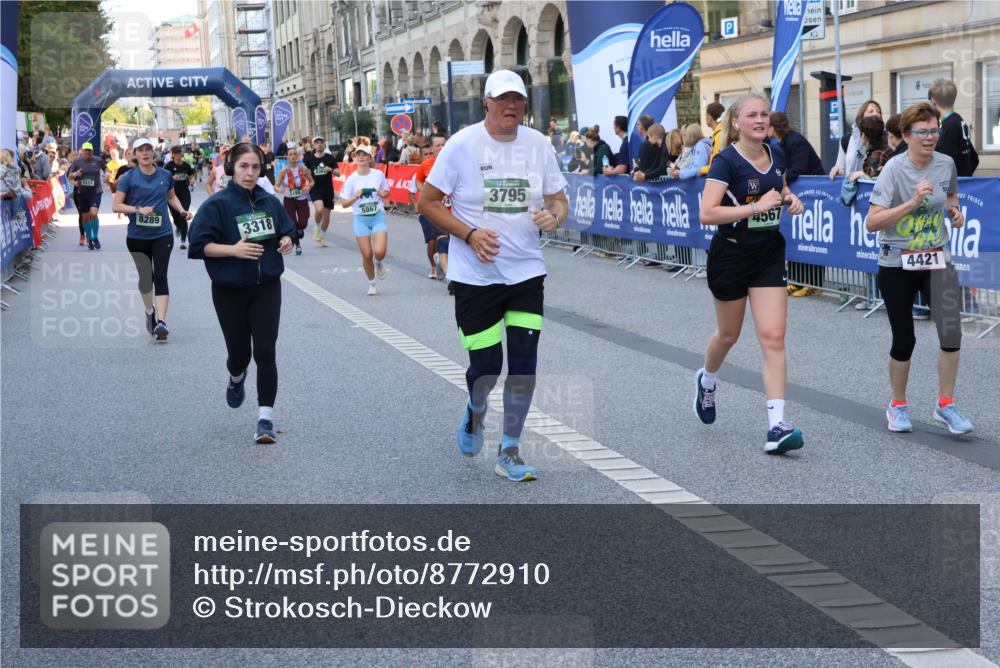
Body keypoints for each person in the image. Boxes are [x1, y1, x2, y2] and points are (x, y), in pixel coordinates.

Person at [418, 69, 569, 482]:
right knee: (486, 368)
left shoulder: (538, 145)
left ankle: (510, 451)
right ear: (486, 102)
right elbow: (426, 201)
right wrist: (468, 234)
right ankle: (475, 409)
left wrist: (553, 217)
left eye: (518, 100)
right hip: (475, 278)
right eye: (502, 99)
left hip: (525, 274)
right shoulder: (462, 145)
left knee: (523, 364)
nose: (511, 106)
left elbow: (558, 198)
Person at [693, 93, 806, 455]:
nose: (760, 120)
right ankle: (707, 379)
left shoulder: (777, 153)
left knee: (773, 336)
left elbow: (780, 185)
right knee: (729, 334)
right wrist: (755, 207)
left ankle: (777, 426)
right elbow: (707, 213)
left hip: (768, 253)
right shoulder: (727, 161)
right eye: (751, 115)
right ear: (736, 123)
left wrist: (790, 198)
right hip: (731, 254)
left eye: (764, 114)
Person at [864, 102, 972, 436]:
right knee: (904, 339)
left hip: (937, 258)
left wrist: (955, 212)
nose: (930, 138)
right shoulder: (895, 169)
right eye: (922, 132)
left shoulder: (946, 163)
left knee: (951, 332)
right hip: (897, 261)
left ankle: (946, 404)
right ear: (907, 135)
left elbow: (951, 195)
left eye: (934, 131)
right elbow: (872, 222)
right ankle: (897, 405)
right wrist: (911, 202)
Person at [187, 142, 296, 444]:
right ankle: (236, 376)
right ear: (232, 167)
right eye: (244, 167)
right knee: (240, 354)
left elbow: (287, 231)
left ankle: (265, 420)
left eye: (256, 167)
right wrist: (233, 250)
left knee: (265, 351)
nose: (250, 174)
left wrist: (287, 240)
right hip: (229, 290)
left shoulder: (269, 202)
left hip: (266, 288)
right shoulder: (217, 205)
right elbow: (199, 247)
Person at [112, 137, 193, 342]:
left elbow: (171, 196)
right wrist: (138, 209)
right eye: (141, 150)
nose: (145, 153)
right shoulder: (128, 178)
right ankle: (150, 311)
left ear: (153, 153)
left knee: (160, 276)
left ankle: (161, 322)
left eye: (148, 149)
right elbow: (116, 206)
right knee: (146, 279)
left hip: (162, 233)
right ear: (134, 154)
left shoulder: (165, 175)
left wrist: (182, 210)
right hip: (137, 236)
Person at [769, 112, 825, 297]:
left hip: (812, 194)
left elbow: (798, 169)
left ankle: (813, 283)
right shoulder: (778, 144)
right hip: (796, 194)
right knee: (796, 237)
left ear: (773, 127)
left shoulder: (795, 141)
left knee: (812, 239)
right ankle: (796, 279)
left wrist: (779, 179)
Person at [340, 144, 391, 295]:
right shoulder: (351, 179)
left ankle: (379, 262)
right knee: (367, 254)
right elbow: (343, 204)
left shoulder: (378, 174)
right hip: (360, 219)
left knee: (379, 251)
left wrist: (383, 193)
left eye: (364, 154)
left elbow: (387, 192)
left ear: (370, 158)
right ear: (354, 158)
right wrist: (356, 196)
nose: (361, 157)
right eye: (358, 155)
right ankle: (372, 284)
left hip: (377, 216)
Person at [410, 133, 451, 282]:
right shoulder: (426, 165)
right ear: (432, 148)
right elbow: (418, 183)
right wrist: (429, 194)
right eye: (438, 145)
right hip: (435, 211)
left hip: (454, 211)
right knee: (441, 241)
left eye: (443, 144)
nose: (441, 148)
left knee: (454, 244)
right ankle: (449, 277)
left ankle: (441, 262)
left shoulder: (456, 162)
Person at [274, 144, 314, 255]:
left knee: (302, 222)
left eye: (294, 154)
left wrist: (308, 186)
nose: (293, 156)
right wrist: (280, 190)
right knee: (292, 223)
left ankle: (300, 229)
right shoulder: (284, 171)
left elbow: (312, 181)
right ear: (286, 157)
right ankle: (298, 245)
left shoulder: (303, 168)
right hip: (289, 199)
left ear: (297, 156)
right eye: (290, 154)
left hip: (302, 198)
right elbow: (276, 186)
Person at [829, 99, 883, 180]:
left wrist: (865, 176)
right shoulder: (846, 140)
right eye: (871, 111)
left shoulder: (886, 140)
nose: (875, 114)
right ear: (861, 117)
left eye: (878, 112)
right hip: (850, 189)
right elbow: (841, 167)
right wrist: (837, 170)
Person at [68, 142, 107, 250]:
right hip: (82, 193)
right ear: (82, 151)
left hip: (96, 191)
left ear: (92, 151)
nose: (88, 152)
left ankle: (95, 237)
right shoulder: (77, 161)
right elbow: (70, 176)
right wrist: (77, 174)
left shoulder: (98, 160)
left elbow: (105, 168)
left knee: (93, 214)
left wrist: (107, 175)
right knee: (85, 218)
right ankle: (89, 238)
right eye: (86, 150)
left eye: (89, 150)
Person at [302, 136, 339, 246]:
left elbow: (338, 173)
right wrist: (308, 182)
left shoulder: (330, 158)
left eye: (321, 142)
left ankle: (322, 235)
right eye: (317, 143)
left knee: (327, 216)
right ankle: (317, 227)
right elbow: (304, 172)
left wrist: (331, 170)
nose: (319, 144)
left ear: (324, 144)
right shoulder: (310, 159)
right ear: (314, 146)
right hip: (315, 188)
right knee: (319, 208)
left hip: (328, 189)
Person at [163, 146, 195, 250]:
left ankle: (183, 241)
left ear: (181, 153)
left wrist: (192, 179)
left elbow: (191, 174)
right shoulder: (168, 166)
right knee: (175, 217)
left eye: (179, 153)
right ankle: (177, 225)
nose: (177, 155)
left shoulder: (186, 165)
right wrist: (171, 178)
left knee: (183, 215)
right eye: (175, 153)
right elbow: (163, 178)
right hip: (172, 195)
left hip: (184, 193)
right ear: (172, 154)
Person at [699, 101, 727, 176]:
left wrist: (701, 170)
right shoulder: (722, 133)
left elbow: (717, 165)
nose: (705, 118)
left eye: (706, 115)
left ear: (710, 117)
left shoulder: (719, 136)